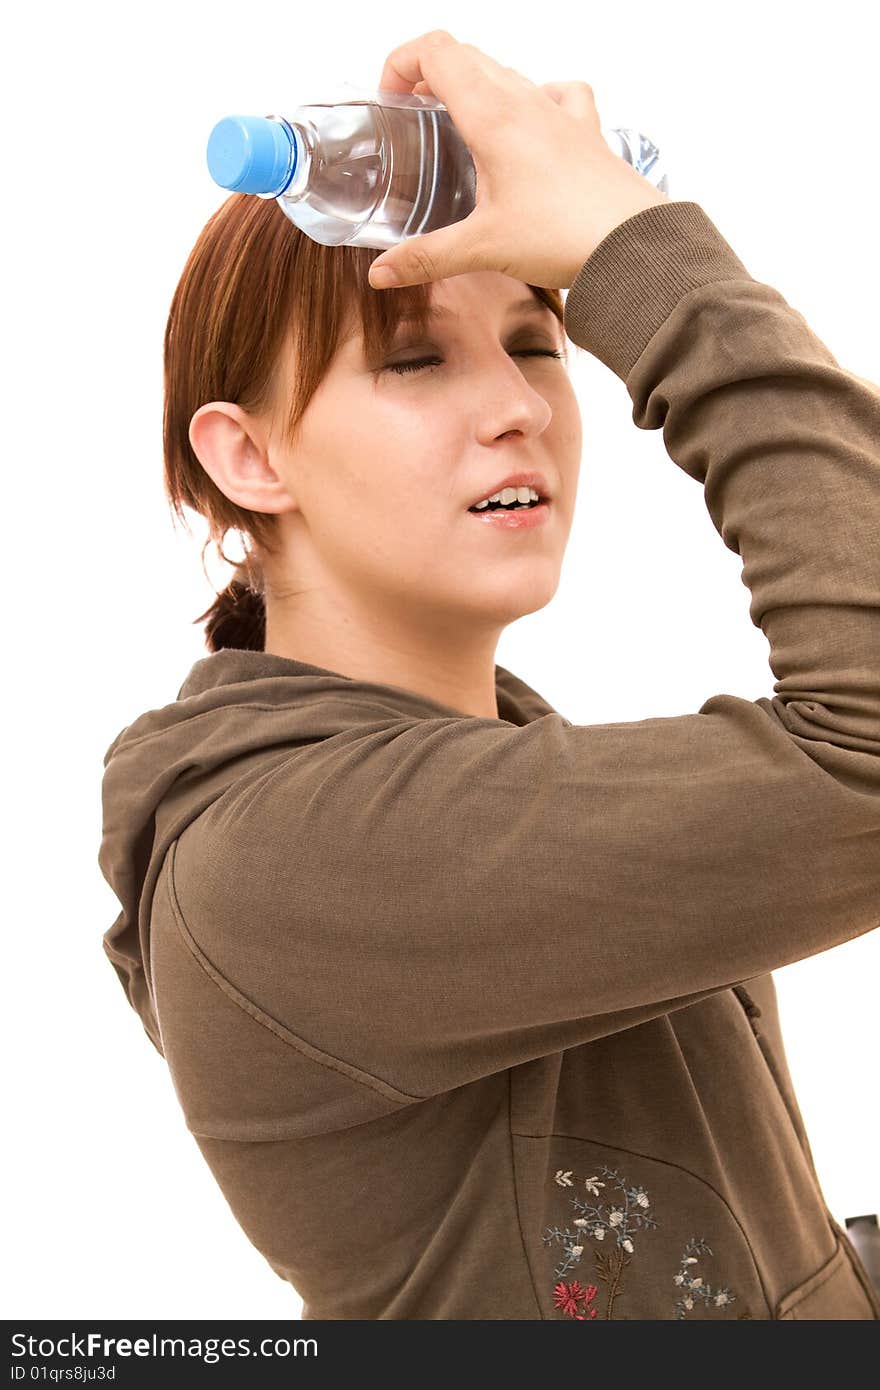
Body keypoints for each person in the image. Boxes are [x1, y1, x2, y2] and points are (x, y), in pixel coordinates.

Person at [98, 32, 880, 1319]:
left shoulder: (494, 774)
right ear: (248, 458)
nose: (517, 405)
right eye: (414, 359)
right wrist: (651, 261)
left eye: (535, 340)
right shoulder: (310, 857)